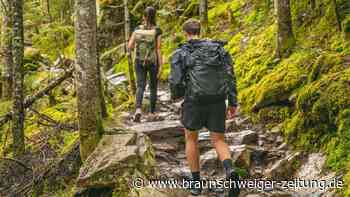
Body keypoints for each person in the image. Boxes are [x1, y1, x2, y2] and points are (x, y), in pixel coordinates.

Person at [169, 19, 240, 196]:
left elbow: (176, 80)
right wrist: (232, 102)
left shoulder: (181, 52)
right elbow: (230, 76)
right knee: (219, 140)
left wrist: (178, 95)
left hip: (194, 100)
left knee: (191, 139)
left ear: (186, 33)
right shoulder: (219, 50)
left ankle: (195, 183)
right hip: (217, 99)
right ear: (200, 31)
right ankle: (230, 171)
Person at [128, 6, 163, 122]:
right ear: (154, 16)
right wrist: (161, 65)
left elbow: (130, 46)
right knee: (153, 87)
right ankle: (152, 113)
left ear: (144, 16)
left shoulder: (137, 29)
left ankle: (138, 110)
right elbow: (158, 49)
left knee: (140, 86)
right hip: (153, 62)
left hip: (139, 60)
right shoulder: (157, 31)